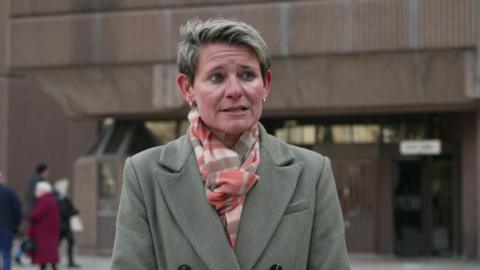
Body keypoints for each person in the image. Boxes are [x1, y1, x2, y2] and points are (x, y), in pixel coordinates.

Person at [111, 18, 350, 270]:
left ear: (265, 84)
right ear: (187, 88)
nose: (235, 90)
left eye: (247, 75)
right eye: (217, 77)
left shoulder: (312, 172)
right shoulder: (144, 174)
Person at [15, 163, 50, 265]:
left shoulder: (32, 180)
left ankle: (19, 254)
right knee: (30, 234)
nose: (49, 173)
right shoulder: (40, 183)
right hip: (34, 212)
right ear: (43, 171)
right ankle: (19, 254)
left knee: (29, 234)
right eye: (47, 171)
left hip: (30, 210)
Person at [29, 181, 60, 270]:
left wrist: (30, 214)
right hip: (50, 230)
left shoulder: (44, 200)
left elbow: (36, 214)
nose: (36, 192)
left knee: (44, 252)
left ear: (43, 190)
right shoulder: (51, 199)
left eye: (37, 190)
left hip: (44, 231)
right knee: (50, 251)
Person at [54, 179, 80, 268]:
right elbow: (65, 211)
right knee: (68, 242)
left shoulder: (57, 198)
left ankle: (55, 262)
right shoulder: (63, 199)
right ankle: (69, 261)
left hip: (59, 225)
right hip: (64, 225)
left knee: (60, 243)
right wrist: (74, 212)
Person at [0, 171, 22, 270]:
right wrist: (16, 225)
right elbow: (17, 210)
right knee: (7, 253)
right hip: (6, 226)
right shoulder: (10, 192)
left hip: (6, 225)